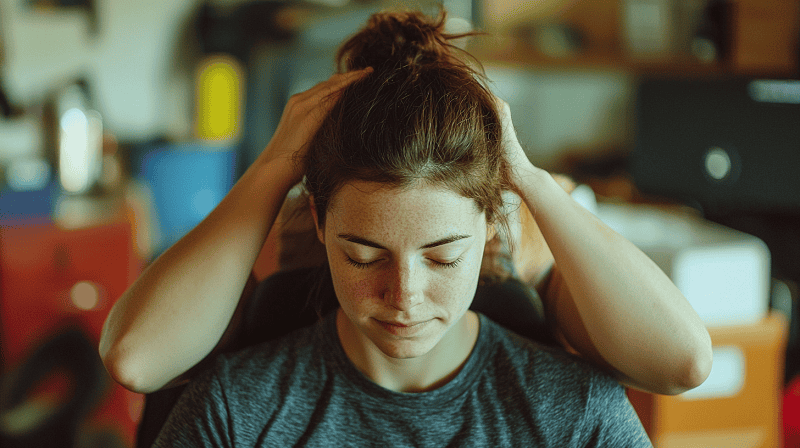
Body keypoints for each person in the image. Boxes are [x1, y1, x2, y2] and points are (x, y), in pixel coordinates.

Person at [100, 9, 712, 446]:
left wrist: (525, 176)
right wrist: (273, 165)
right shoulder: (245, 377)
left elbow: (683, 363)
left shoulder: (529, 254)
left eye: (444, 256)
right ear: (318, 220)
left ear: (492, 218)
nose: (405, 296)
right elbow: (134, 359)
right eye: (364, 255)